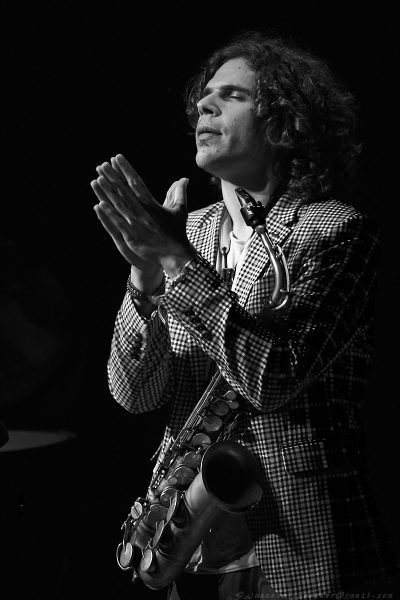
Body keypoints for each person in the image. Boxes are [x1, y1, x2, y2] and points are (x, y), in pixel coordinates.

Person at [90, 31, 399, 600]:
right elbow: (135, 394)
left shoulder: (338, 231)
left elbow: (274, 378)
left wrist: (176, 262)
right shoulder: (188, 231)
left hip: (302, 545)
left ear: (285, 126)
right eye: (204, 96)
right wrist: (144, 277)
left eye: (232, 96)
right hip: (193, 548)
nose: (204, 106)